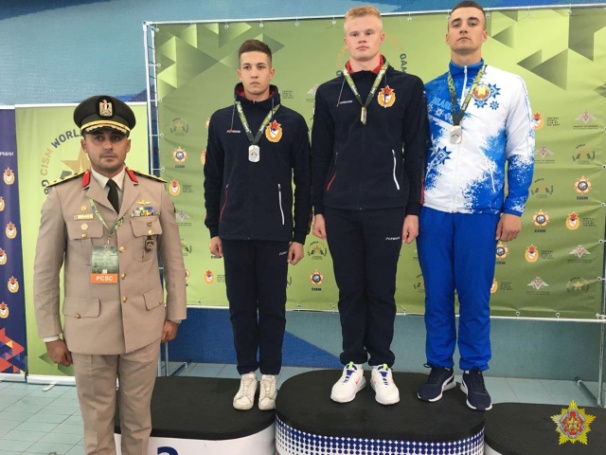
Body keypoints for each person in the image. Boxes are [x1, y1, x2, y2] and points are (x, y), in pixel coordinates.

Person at [33, 95, 187, 454]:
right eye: (98, 137)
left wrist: (174, 314)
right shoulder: (62, 197)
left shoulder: (154, 192)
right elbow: (45, 271)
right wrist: (51, 334)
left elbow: (173, 259)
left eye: (115, 138)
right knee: (97, 425)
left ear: (128, 144)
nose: (107, 146)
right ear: (84, 144)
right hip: (88, 331)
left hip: (143, 326)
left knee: (138, 421)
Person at [417, 1, 534, 411]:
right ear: (446, 35)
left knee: (474, 296)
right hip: (432, 209)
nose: (463, 29)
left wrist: (514, 206)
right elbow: (413, 152)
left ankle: (474, 369)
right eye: (456, 23)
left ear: (485, 34)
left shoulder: (510, 85)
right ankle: (439, 366)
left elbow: (522, 151)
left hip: (481, 212)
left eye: (472, 23)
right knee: (436, 295)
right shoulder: (427, 91)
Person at [311, 5, 427, 405]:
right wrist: (318, 208)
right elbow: (319, 154)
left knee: (381, 290)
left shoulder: (407, 86)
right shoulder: (329, 92)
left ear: (381, 37)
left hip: (387, 207)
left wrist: (412, 209)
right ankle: (352, 365)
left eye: (369, 32)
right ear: (345, 40)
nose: (362, 39)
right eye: (355, 34)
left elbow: (416, 152)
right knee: (350, 290)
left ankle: (381, 365)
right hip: (339, 208)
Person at [204, 39, 311, 411]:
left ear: (271, 72)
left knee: (274, 309)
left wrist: (299, 235)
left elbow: (305, 183)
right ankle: (247, 376)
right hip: (233, 232)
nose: (254, 74)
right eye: (247, 67)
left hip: (275, 233)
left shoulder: (292, 122)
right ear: (239, 73)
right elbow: (212, 179)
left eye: (260, 67)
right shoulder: (222, 120)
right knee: (241, 309)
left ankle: (270, 379)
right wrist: (213, 229)